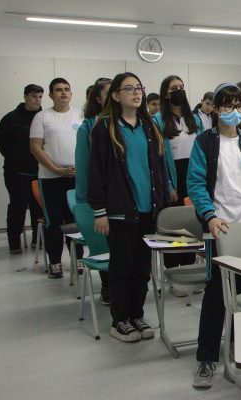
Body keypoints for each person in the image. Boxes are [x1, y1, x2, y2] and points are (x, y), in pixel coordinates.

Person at [187, 83, 241, 388]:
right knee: (216, 295)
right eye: (227, 105)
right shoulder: (204, 143)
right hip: (220, 230)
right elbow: (196, 184)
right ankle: (206, 358)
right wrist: (209, 216)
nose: (234, 111)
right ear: (215, 109)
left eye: (238, 105)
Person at [89, 72, 168, 343]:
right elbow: (96, 172)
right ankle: (119, 320)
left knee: (142, 268)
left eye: (139, 88)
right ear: (115, 95)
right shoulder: (105, 127)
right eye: (129, 89)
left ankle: (136, 315)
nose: (136, 93)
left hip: (148, 210)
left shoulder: (149, 126)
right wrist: (99, 211)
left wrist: (161, 205)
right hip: (120, 211)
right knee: (121, 267)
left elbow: (159, 168)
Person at [29, 78, 84, 278]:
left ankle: (78, 259)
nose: (63, 93)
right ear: (51, 95)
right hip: (50, 178)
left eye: (66, 89)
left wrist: (82, 168)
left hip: (77, 177)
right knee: (54, 221)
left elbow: (89, 144)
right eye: (58, 90)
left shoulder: (80, 114)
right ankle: (55, 262)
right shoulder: (42, 117)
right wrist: (55, 169)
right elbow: (35, 147)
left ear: (71, 93)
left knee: (76, 220)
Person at [153, 75, 203, 272]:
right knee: (174, 226)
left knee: (190, 222)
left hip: (193, 174)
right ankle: (173, 268)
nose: (179, 91)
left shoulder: (194, 119)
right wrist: (168, 185)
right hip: (172, 175)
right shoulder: (158, 121)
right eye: (174, 88)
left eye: (181, 87)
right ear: (165, 94)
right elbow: (158, 158)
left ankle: (189, 266)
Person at [75, 77, 112, 303]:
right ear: (98, 99)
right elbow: (83, 167)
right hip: (100, 197)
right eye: (109, 92)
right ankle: (107, 285)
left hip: (124, 197)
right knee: (104, 243)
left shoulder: (129, 123)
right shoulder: (88, 127)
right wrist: (85, 203)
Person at [0, 84, 44, 253]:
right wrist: (16, 159)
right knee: (18, 206)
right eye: (34, 96)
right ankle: (14, 240)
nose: (37, 100)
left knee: (39, 207)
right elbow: (0, 141)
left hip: (40, 171)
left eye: (40, 97)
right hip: (16, 172)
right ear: (25, 97)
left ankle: (37, 239)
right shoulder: (11, 118)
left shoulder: (44, 118)